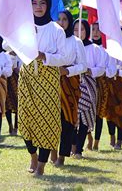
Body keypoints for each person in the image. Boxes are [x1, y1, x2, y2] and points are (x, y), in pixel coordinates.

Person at [18, 0, 65, 176]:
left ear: (48, 5)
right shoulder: (24, 27)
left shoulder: (56, 30)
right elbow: (8, 44)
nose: (38, 7)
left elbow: (62, 58)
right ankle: (33, 155)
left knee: (47, 119)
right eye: (34, 3)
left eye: (42, 3)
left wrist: (44, 55)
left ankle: (42, 165)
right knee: (24, 117)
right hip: (27, 75)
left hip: (48, 78)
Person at [50, 11, 85, 166]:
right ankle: (51, 153)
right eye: (59, 19)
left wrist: (67, 71)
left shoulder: (76, 42)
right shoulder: (52, 40)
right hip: (50, 82)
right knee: (51, 119)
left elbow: (83, 66)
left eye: (64, 19)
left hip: (70, 84)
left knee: (66, 121)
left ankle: (62, 156)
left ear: (70, 22)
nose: (61, 22)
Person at [72, 20, 105, 156]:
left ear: (87, 31)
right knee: (72, 116)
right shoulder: (70, 46)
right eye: (75, 29)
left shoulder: (95, 49)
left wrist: (89, 71)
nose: (79, 32)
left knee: (85, 116)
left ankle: (79, 149)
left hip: (88, 85)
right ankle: (73, 146)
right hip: (73, 84)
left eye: (82, 29)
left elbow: (101, 68)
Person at [87, 22, 113, 151]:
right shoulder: (85, 46)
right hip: (85, 82)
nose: (95, 32)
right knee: (85, 111)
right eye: (93, 29)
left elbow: (110, 69)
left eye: (98, 30)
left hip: (101, 84)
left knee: (99, 113)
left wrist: (100, 71)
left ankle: (96, 141)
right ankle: (88, 136)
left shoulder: (107, 49)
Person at [5, 50, 20, 135]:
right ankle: (10, 125)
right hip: (7, 80)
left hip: (17, 79)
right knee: (7, 103)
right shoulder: (5, 55)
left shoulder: (22, 55)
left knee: (17, 102)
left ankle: (16, 126)